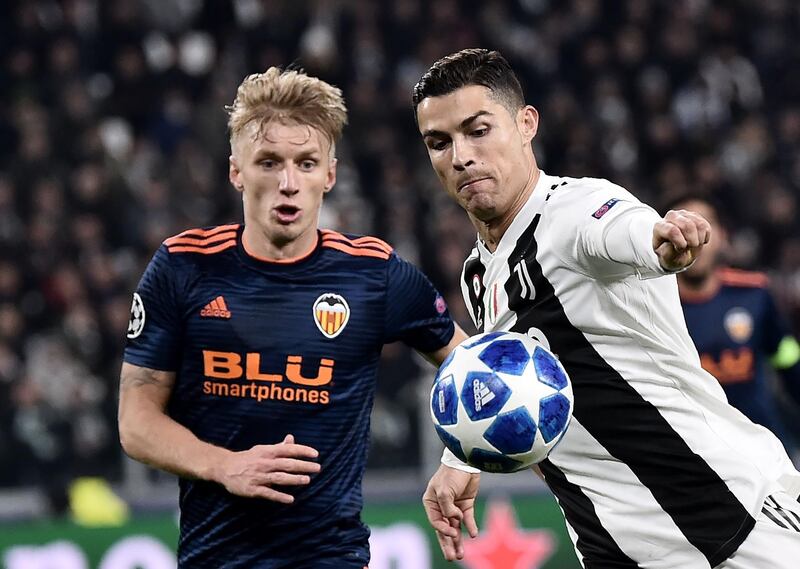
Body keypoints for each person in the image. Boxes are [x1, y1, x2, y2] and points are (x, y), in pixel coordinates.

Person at [412, 48, 800, 569]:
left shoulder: (573, 210)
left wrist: (662, 240)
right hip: (613, 547)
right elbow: (514, 386)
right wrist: (460, 457)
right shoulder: (478, 277)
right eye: (440, 142)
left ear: (526, 125)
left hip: (730, 521)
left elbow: (620, 229)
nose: (460, 156)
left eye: (478, 130)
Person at [118, 67, 466, 569]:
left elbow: (476, 374)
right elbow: (136, 423)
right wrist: (226, 466)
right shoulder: (183, 267)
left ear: (330, 174)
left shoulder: (375, 275)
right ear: (236, 170)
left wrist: (460, 460)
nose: (288, 184)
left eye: (306, 164)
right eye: (269, 162)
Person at [671, 196, 800, 454]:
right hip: (698, 457)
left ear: (721, 236)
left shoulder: (754, 294)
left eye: (703, 225)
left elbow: (786, 357)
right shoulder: (657, 307)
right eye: (683, 229)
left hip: (766, 450)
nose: (694, 238)